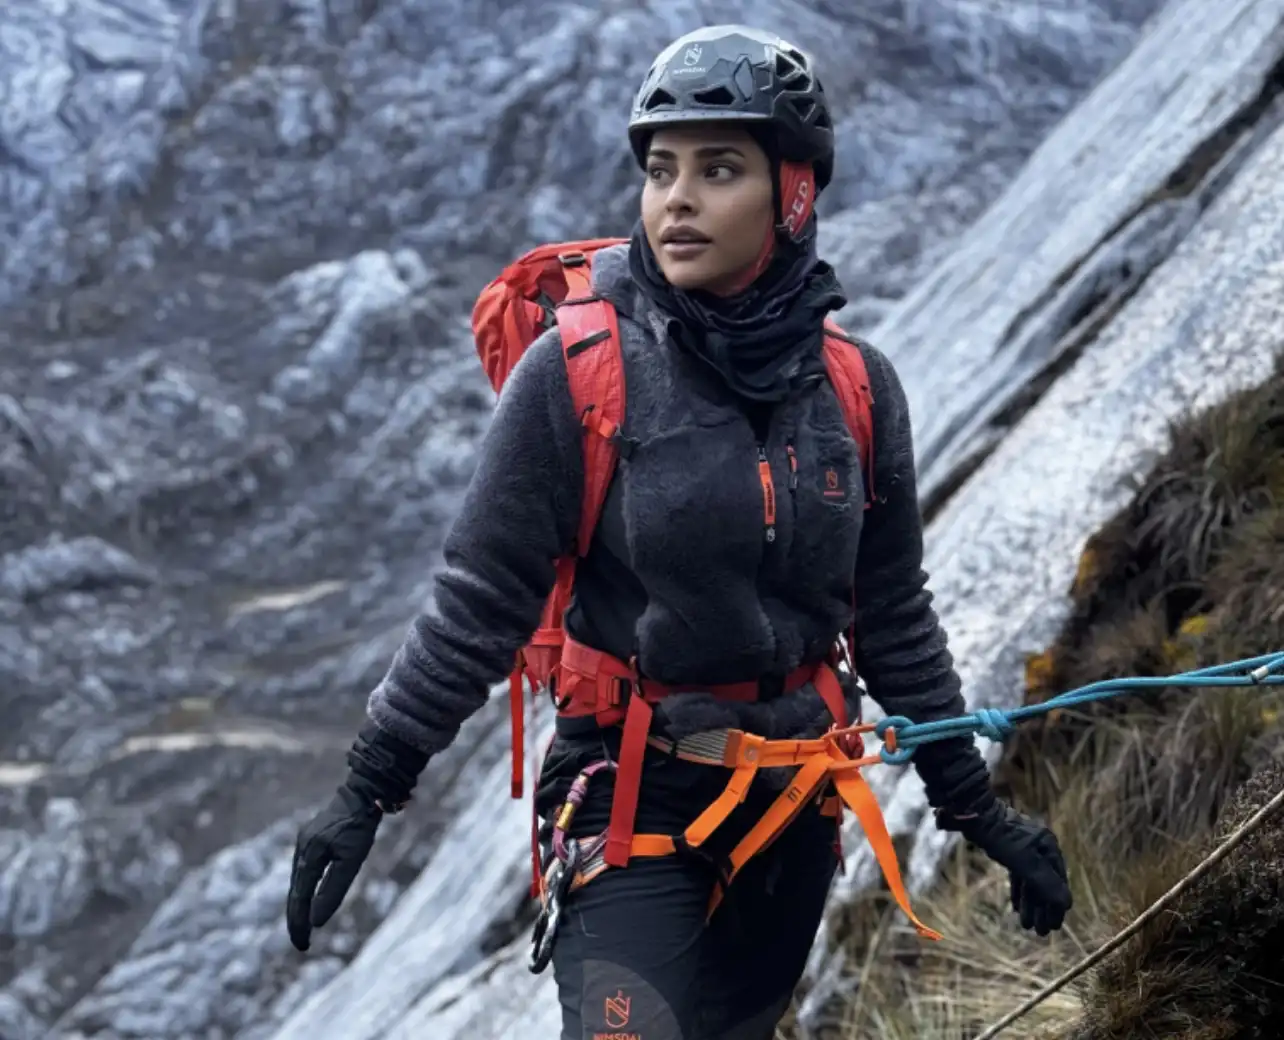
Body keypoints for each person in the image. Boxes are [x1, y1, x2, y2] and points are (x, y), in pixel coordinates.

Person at [285, 24, 1073, 1040]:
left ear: (794, 194)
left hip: (791, 800)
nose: (677, 199)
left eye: (719, 169)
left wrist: (977, 811)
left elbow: (890, 616)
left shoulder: (855, 387)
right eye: (661, 170)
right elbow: (479, 598)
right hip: (629, 797)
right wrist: (368, 788)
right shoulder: (578, 373)